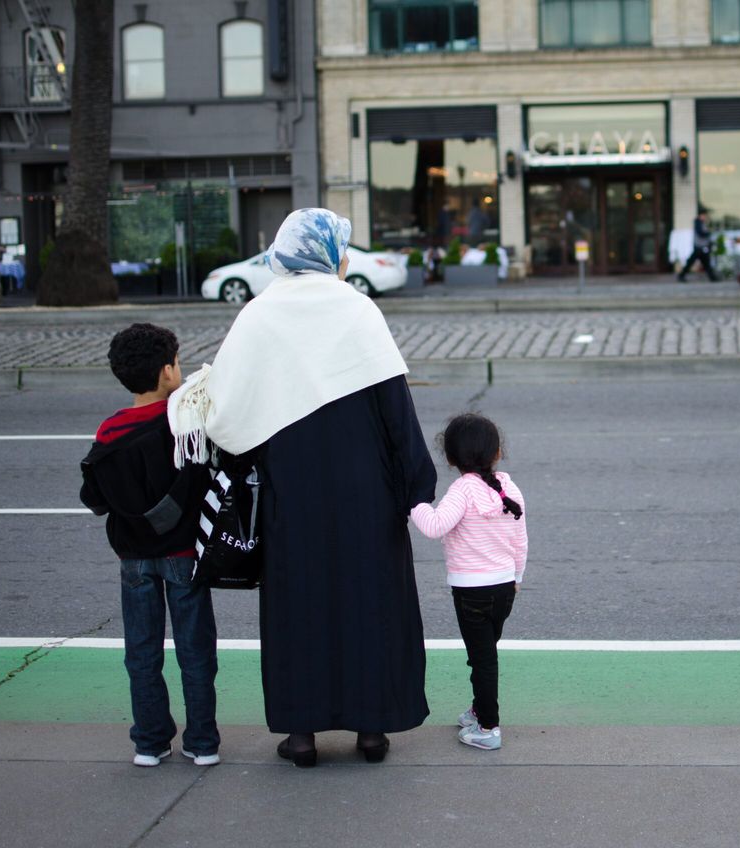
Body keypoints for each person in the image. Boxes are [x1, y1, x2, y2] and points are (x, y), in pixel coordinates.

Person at [168, 208, 437, 768]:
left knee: (299, 607)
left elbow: (228, 413)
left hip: (291, 492)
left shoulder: (259, 315)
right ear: (330, 253)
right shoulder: (358, 309)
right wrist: (414, 485)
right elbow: (395, 407)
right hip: (368, 494)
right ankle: (372, 729)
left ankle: (302, 734)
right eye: (343, 250)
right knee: (372, 604)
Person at [80, 323, 218, 768]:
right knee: (196, 652)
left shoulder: (109, 432)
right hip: (184, 555)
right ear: (166, 372)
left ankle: (150, 742)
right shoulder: (184, 425)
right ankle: (202, 742)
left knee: (142, 652)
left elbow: (95, 498)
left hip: (133, 558)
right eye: (177, 362)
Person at [409, 413, 527, 751]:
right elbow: (521, 540)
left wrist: (412, 503)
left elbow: (434, 526)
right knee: (484, 655)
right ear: (497, 452)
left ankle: (488, 727)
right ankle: (479, 709)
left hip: (471, 591)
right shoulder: (509, 486)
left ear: (450, 458)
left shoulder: (462, 490)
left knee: (483, 659)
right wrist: (517, 576)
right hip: (506, 588)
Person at [678, 209, 719, 282]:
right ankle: (681, 275)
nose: (705, 217)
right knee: (693, 262)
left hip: (701, 247)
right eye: (704, 215)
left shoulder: (701, 223)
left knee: (706, 263)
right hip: (699, 247)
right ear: (701, 215)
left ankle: (712, 277)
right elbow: (701, 233)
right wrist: (708, 233)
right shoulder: (698, 223)